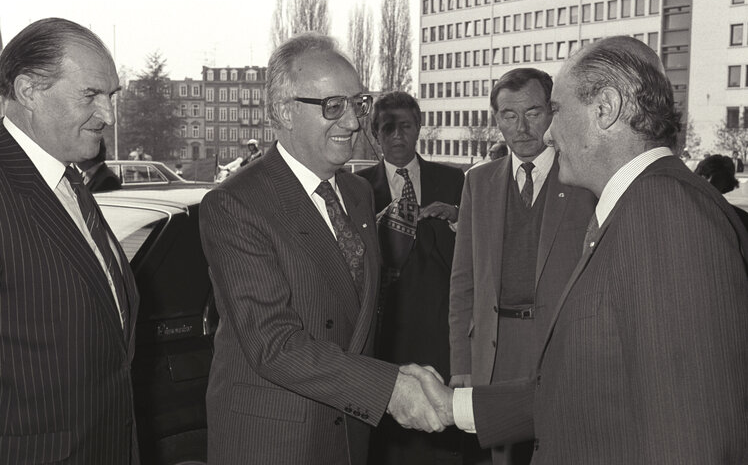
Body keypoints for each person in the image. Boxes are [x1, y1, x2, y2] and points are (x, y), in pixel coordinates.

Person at [415, 36, 748, 464]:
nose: (547, 133)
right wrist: (452, 406)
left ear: (605, 108)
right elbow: (588, 387)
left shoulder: (664, 213)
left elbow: (691, 431)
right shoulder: (641, 204)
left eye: (554, 111)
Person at [199, 33, 445, 465]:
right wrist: (388, 387)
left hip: (349, 433)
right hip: (276, 440)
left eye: (358, 103)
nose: (353, 122)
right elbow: (273, 344)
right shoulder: (236, 203)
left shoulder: (357, 193)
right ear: (284, 113)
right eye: (334, 106)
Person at [0, 18, 140, 464]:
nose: (109, 115)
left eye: (111, 96)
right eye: (91, 95)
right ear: (28, 92)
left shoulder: (70, 183)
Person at [448, 68, 596, 465]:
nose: (521, 127)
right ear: (495, 119)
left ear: (551, 112)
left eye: (532, 112)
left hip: (558, 346)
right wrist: (461, 363)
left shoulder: (584, 182)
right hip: (494, 348)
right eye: (508, 115)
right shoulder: (478, 182)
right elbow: (463, 281)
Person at [356, 92, 466, 465]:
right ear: (375, 133)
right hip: (386, 334)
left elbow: (476, 256)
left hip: (443, 330)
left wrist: (457, 217)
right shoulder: (355, 188)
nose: (398, 135)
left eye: (406, 126)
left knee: (442, 436)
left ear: (419, 128)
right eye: (388, 128)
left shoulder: (455, 181)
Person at [695, 154, 748, 229]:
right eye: (705, 176)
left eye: (716, 180)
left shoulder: (741, 220)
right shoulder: (741, 218)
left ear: (726, 184)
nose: (708, 184)